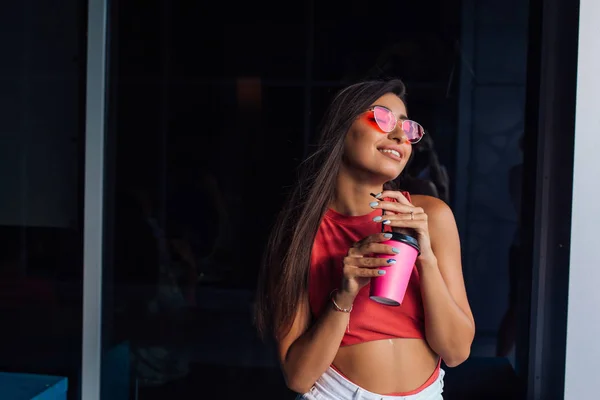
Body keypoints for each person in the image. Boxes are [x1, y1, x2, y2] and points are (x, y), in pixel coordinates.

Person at [254, 78, 475, 399]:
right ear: (342, 128)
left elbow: (456, 352)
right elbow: (299, 377)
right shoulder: (300, 233)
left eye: (408, 128)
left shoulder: (431, 216)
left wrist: (425, 256)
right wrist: (345, 295)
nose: (400, 135)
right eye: (383, 118)